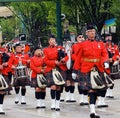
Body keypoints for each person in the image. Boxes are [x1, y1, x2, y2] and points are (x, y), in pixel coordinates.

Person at [72, 24, 109, 118]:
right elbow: (78, 58)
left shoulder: (100, 44)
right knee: (91, 90)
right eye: (90, 31)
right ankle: (92, 111)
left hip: (98, 69)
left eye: (93, 31)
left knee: (97, 89)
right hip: (86, 69)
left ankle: (93, 110)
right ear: (87, 33)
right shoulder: (82, 45)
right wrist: (75, 70)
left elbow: (104, 54)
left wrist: (105, 62)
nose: (92, 33)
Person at [43, 35, 68, 111]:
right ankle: (53, 103)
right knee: (53, 86)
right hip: (51, 68)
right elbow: (45, 60)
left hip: (60, 68)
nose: (52, 41)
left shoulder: (60, 48)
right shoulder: (46, 50)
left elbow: (67, 57)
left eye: (53, 39)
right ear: (49, 41)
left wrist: (63, 59)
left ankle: (57, 104)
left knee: (58, 87)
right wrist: (54, 62)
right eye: (51, 40)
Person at [72, 33, 89, 105]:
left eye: (82, 37)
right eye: (79, 37)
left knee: (87, 83)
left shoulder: (87, 45)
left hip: (86, 65)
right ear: (77, 39)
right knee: (80, 83)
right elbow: (72, 55)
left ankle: (85, 98)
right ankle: (81, 98)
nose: (81, 38)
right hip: (79, 66)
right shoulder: (74, 46)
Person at [104, 34, 119, 98]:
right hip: (106, 64)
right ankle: (107, 91)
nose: (109, 38)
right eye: (107, 37)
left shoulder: (115, 46)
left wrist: (112, 59)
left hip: (112, 64)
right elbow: (102, 54)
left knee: (112, 78)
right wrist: (107, 60)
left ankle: (110, 92)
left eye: (110, 37)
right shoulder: (103, 46)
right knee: (106, 78)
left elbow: (117, 54)